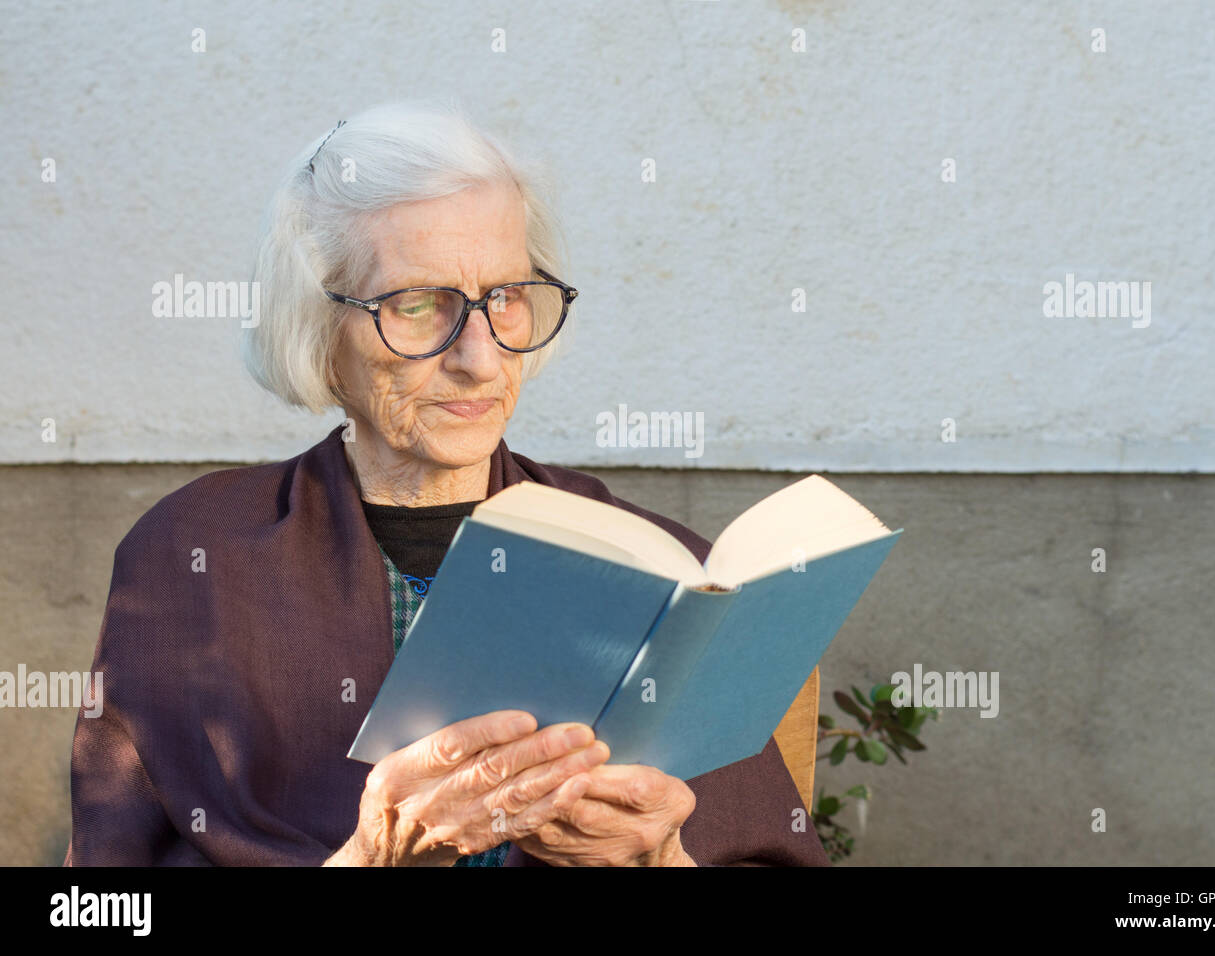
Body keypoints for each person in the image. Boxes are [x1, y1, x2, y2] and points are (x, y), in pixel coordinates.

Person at [65, 100, 829, 867]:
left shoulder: (660, 574)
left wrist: (658, 858)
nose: (482, 359)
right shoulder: (193, 557)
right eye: (419, 304)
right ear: (317, 325)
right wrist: (370, 858)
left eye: (504, 296)